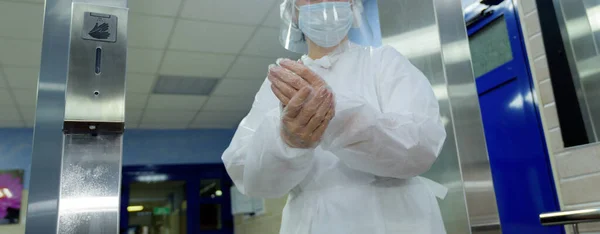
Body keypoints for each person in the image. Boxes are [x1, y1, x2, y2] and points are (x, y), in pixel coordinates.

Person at [222, 0, 447, 233]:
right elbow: (250, 176)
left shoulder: (385, 63)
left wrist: (335, 116)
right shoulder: (281, 85)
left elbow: (420, 148)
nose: (325, 3)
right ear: (293, 13)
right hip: (315, 223)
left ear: (352, 5)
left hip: (400, 220)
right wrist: (287, 143)